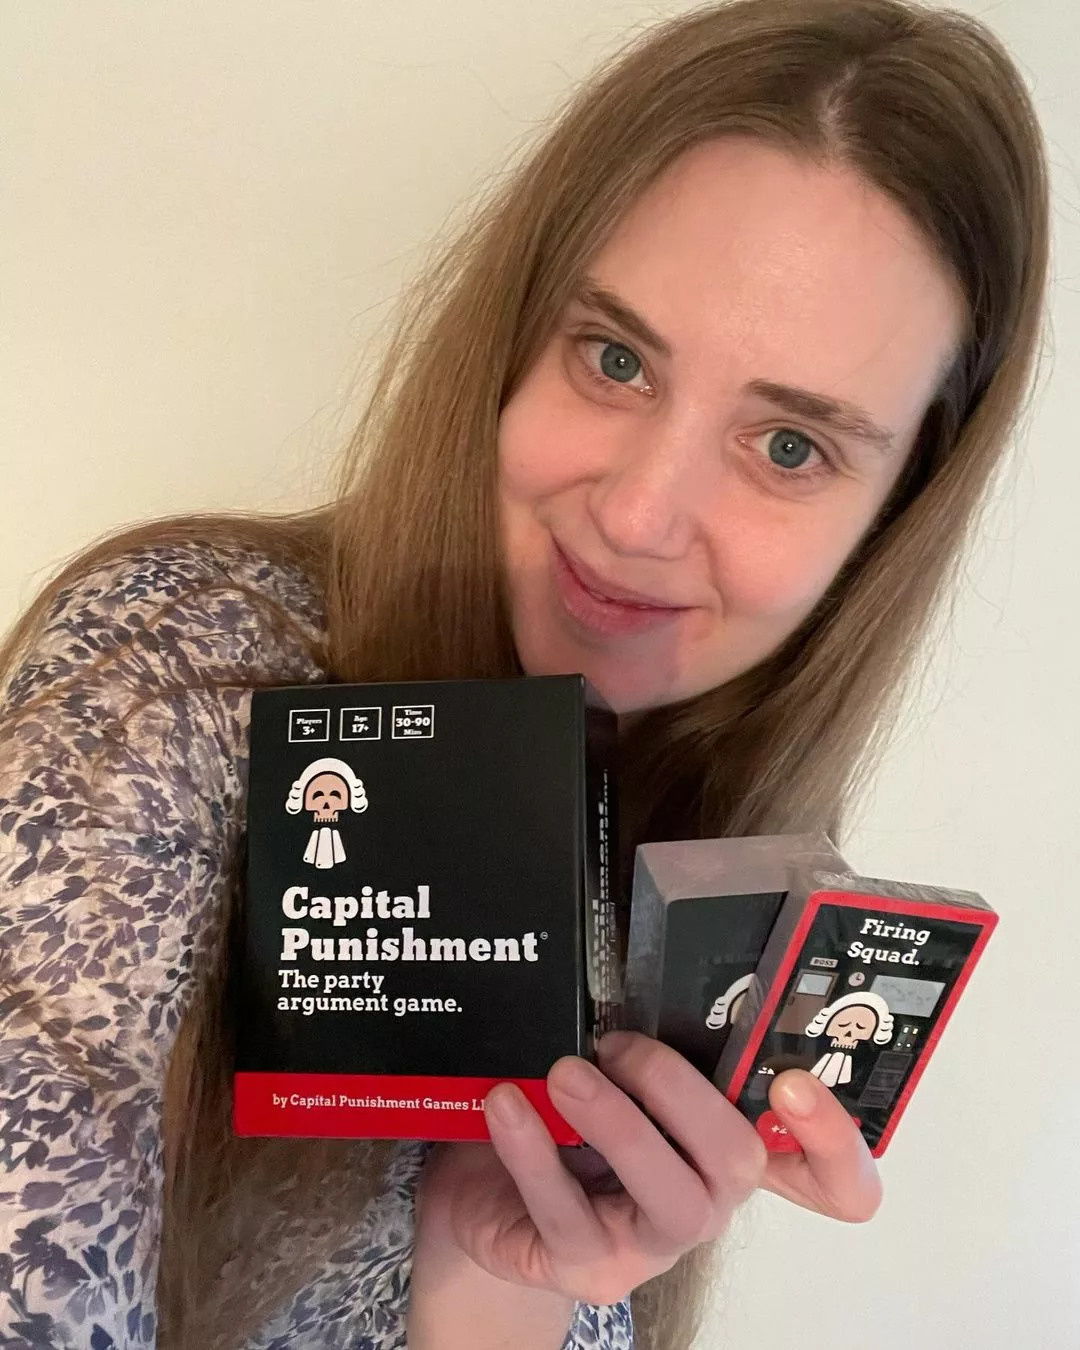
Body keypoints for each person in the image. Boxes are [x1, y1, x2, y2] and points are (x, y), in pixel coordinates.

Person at [0, 0, 1049, 1347]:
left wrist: (495, 1273)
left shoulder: (712, 902)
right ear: (512, 338)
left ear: (894, 515)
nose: (638, 515)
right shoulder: (178, 678)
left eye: (790, 446)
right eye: (615, 359)